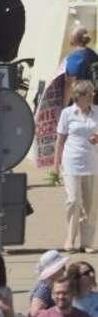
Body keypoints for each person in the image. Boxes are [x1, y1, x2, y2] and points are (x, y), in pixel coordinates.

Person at [55, 79, 98, 253]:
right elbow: (60, 140)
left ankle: (87, 242)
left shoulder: (97, 112)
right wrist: (56, 164)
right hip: (71, 162)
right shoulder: (67, 113)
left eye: (92, 93)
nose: (91, 96)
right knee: (73, 201)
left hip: (92, 163)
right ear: (78, 96)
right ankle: (70, 239)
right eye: (88, 94)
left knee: (90, 204)